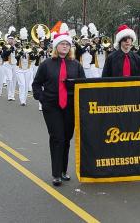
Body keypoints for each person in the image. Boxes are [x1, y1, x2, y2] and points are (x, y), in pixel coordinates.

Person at [32, 32, 85, 186]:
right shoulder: (46, 64)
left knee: (67, 138)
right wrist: (41, 98)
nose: (65, 46)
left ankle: (63, 170)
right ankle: (56, 174)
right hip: (52, 106)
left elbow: (84, 85)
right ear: (56, 46)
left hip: (69, 107)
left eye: (67, 44)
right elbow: (36, 84)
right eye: (62, 44)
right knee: (57, 138)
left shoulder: (76, 65)